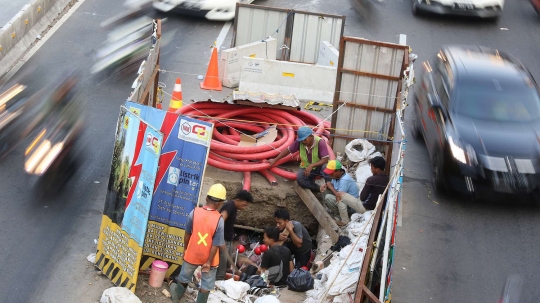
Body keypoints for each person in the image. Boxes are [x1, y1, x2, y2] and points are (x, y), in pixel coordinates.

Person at [170, 184, 227, 303]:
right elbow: (216, 244)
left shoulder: (194, 213)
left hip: (193, 253)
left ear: (207, 198)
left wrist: (186, 249)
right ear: (221, 203)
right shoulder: (219, 220)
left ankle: (176, 298)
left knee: (184, 278)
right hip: (209, 258)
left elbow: (187, 234)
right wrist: (208, 262)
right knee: (206, 286)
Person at [268, 126, 329, 191]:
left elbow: (325, 159)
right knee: (300, 179)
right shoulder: (299, 141)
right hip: (306, 166)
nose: (303, 142)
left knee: (326, 168)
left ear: (311, 136)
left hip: (318, 166)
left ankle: (328, 186)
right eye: (302, 140)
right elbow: (288, 150)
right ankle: (318, 188)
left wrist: (312, 165)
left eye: (305, 139)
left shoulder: (320, 142)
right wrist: (275, 159)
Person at [335, 156, 390, 222]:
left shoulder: (371, 180)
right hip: (377, 207)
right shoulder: (388, 178)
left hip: (366, 207)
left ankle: (344, 221)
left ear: (377, 169)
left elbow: (362, 198)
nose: (371, 170)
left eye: (372, 167)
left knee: (339, 195)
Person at [216, 190, 253, 280]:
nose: (244, 208)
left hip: (227, 240)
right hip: (223, 240)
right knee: (221, 267)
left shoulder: (233, 207)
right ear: (238, 199)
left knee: (226, 266)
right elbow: (219, 222)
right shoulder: (229, 206)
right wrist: (220, 240)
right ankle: (216, 286)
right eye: (244, 204)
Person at [320, 160, 360, 226]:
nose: (330, 175)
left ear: (338, 171)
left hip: (351, 207)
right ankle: (334, 211)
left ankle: (339, 215)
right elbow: (333, 186)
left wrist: (331, 187)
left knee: (328, 197)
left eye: (331, 173)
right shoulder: (336, 177)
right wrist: (326, 186)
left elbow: (340, 196)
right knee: (325, 190)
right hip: (344, 201)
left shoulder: (345, 179)